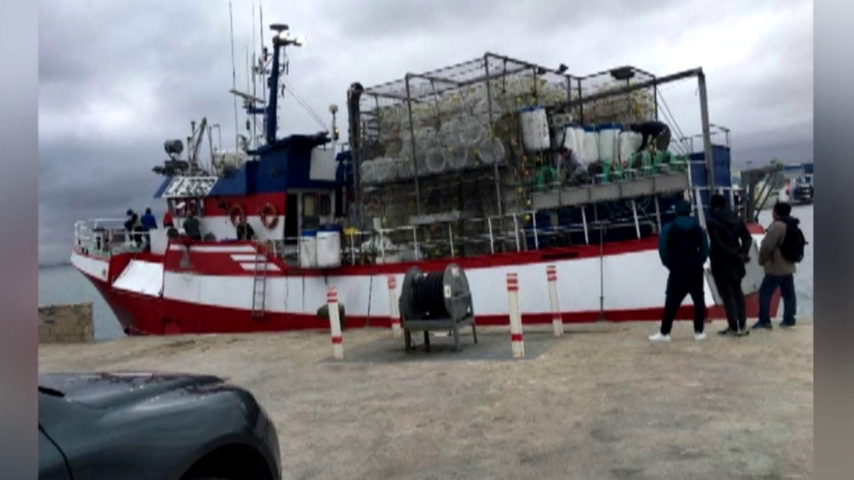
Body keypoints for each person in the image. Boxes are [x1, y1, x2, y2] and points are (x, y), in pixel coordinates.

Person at [650, 200, 709, 342]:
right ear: (689, 211)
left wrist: (670, 264)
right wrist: (698, 262)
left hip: (677, 269)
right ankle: (699, 332)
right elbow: (705, 249)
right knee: (699, 300)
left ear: (676, 211)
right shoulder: (698, 228)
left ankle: (665, 332)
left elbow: (663, 250)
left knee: (671, 301)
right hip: (695, 269)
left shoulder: (669, 228)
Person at [706, 194, 753, 336]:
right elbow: (747, 238)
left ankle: (733, 325)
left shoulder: (712, 222)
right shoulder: (737, 219)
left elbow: (718, 244)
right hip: (736, 263)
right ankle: (742, 324)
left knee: (727, 296)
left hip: (720, 262)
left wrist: (734, 255)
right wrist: (742, 253)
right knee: (738, 291)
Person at [753, 202, 803, 329]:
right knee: (788, 293)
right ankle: (789, 318)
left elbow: (767, 246)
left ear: (776, 213)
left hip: (776, 267)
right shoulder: (792, 224)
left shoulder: (777, 226)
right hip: (789, 265)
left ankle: (764, 320)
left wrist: (761, 260)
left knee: (765, 293)